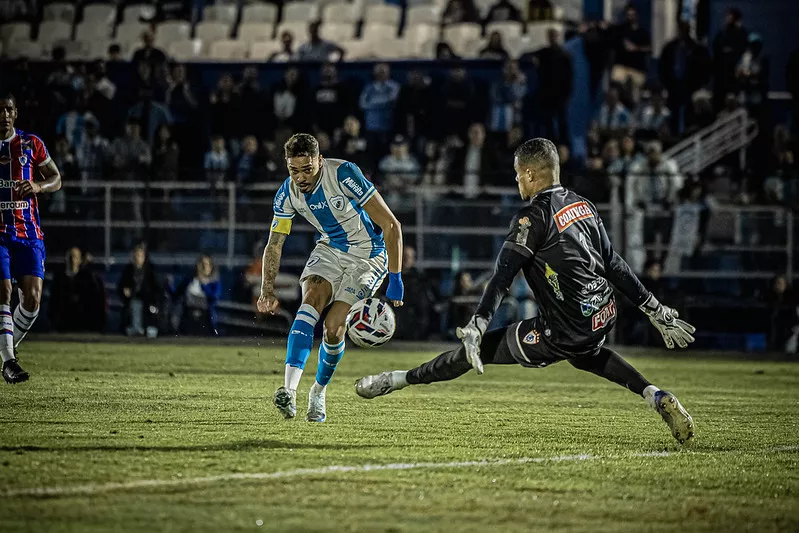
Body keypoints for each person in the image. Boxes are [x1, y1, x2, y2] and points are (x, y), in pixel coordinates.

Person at [356, 138, 697, 446]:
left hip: (563, 328)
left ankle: (397, 379)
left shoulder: (532, 218)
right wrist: (654, 308)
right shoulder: (583, 204)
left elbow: (502, 276)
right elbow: (614, 263)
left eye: (519, 174)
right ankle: (655, 395)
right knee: (586, 354)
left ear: (533, 175)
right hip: (602, 313)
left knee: (479, 351)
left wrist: (477, 324)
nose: (517, 180)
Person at [257, 133, 405, 423]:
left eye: (306, 169)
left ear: (319, 161)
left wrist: (395, 278)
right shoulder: (286, 193)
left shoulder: (344, 174)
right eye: (293, 170)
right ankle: (288, 391)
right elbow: (274, 244)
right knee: (310, 301)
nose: (300, 177)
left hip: (369, 256)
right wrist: (267, 288)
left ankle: (318, 391)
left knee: (333, 328)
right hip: (330, 249)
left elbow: (390, 223)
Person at [0, 94, 63, 384]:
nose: (4, 114)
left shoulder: (31, 143)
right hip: (0, 234)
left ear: (16, 113)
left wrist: (38, 185)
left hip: (29, 233)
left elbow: (56, 178)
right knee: (4, 292)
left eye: (8, 109)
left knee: (33, 299)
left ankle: (7, 351)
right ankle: (9, 362)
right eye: (0, 110)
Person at [118, 243, 161, 338]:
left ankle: (147, 329)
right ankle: (134, 328)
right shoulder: (128, 270)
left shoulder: (151, 271)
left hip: (148, 303)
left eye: (140, 256)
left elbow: (157, 289)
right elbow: (121, 287)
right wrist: (125, 291)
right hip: (132, 301)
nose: (138, 258)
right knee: (134, 305)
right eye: (136, 255)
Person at [173, 254, 222, 336]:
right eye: (201, 264)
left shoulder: (214, 281)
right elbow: (177, 294)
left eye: (206, 265)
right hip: (188, 317)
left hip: (205, 317)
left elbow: (214, 298)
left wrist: (204, 284)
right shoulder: (190, 280)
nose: (204, 268)